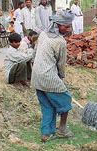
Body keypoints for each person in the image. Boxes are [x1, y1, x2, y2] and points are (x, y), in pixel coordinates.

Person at [31, 10, 75, 142]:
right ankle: (62, 129)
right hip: (48, 77)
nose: (68, 29)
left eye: (69, 26)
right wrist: (61, 77)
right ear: (57, 24)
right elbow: (61, 63)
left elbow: (34, 52)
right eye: (65, 26)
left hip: (36, 77)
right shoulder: (60, 41)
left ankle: (47, 133)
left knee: (47, 106)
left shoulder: (43, 34)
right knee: (66, 101)